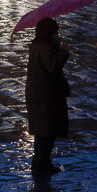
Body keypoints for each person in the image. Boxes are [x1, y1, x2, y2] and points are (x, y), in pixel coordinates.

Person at [26, 17, 70, 177]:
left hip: (40, 94)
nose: (57, 34)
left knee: (42, 132)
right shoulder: (44, 47)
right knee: (47, 132)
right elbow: (53, 66)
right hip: (46, 96)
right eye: (55, 32)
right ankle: (42, 165)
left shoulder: (38, 45)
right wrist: (63, 51)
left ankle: (39, 163)